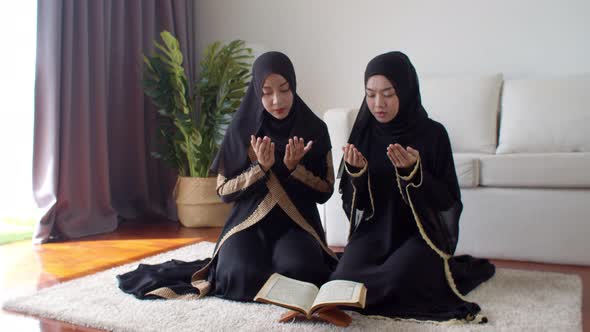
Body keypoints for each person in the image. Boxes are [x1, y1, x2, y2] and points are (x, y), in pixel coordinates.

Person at [117, 52, 337, 302]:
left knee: (303, 273)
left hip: (296, 226)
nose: (277, 100)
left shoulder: (313, 129)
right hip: (248, 225)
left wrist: (293, 168)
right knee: (237, 277)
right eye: (266, 92)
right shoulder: (243, 128)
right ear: (256, 91)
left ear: (294, 86)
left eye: (284, 90)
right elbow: (224, 191)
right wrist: (260, 168)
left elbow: (325, 191)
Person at [330, 51, 495, 323]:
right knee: (342, 281)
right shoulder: (363, 133)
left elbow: (448, 201)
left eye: (388, 94)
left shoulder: (433, 135)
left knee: (398, 278)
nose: (378, 103)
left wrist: (415, 174)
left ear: (405, 91)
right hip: (376, 232)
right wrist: (357, 175)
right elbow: (356, 206)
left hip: (420, 235)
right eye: (370, 94)